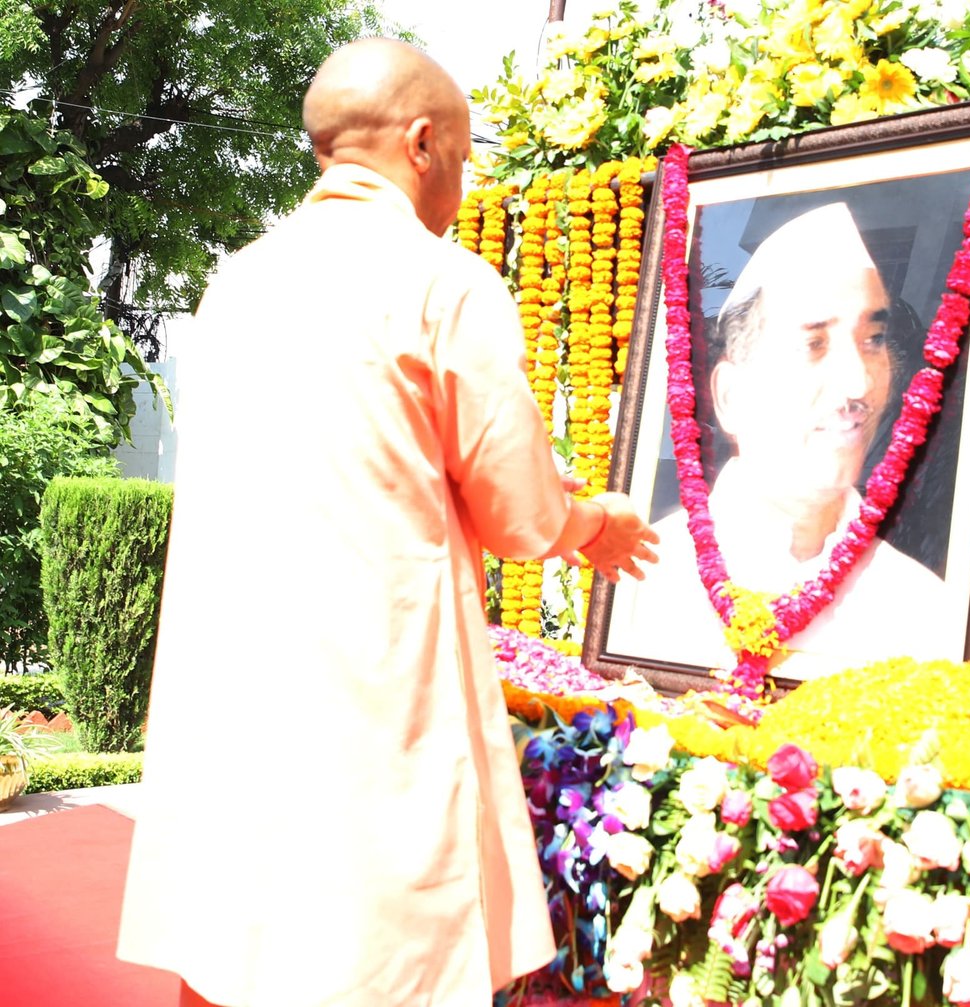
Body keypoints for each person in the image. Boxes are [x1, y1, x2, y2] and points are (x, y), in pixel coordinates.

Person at [116, 38, 658, 1007]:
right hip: (370, 696)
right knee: (379, 954)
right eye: (462, 151)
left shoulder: (234, 283)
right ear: (422, 142)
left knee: (234, 941)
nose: (462, 174)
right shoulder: (443, 281)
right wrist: (595, 519)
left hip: (233, 685)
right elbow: (517, 510)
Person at [614, 202, 951, 680]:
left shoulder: (920, 611)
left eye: (873, 340)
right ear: (730, 395)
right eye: (813, 345)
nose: (858, 385)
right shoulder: (640, 577)